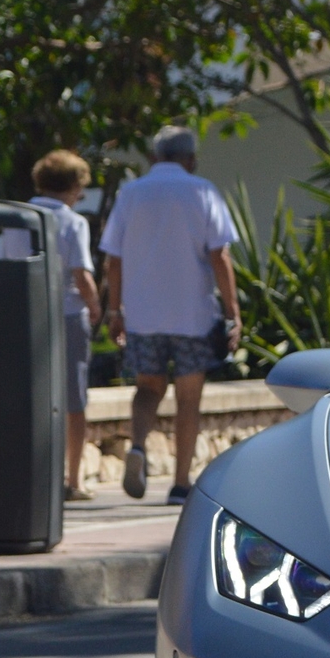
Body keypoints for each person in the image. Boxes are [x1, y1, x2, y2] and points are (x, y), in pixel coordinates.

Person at [100, 125, 241, 504]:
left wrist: (116, 310)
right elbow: (220, 256)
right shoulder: (202, 191)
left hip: (144, 314)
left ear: (153, 156)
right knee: (188, 398)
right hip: (192, 313)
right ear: (191, 159)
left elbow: (114, 258)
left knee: (147, 388)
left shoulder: (131, 194)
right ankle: (180, 484)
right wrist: (233, 312)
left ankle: (140, 445)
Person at [10, 151, 103, 500]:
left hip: (24, 313)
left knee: (28, 395)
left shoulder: (17, 217)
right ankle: (73, 479)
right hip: (65, 312)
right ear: (74, 185)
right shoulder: (72, 222)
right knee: (73, 398)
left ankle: (28, 474)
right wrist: (95, 306)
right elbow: (81, 274)